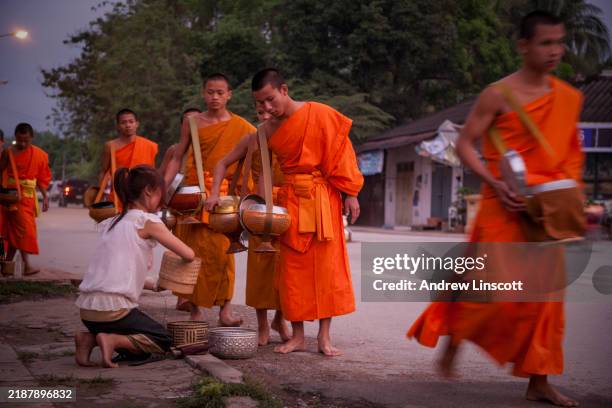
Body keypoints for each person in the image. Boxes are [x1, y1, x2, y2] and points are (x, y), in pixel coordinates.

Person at [407, 11, 583, 407]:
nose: (555, 50)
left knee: (545, 302)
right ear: (523, 46)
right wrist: (494, 182)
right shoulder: (498, 94)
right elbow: (466, 143)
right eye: (545, 43)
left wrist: (564, 200)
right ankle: (455, 336)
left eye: (559, 42)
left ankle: (539, 379)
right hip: (503, 205)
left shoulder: (568, 98)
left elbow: (570, 156)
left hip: (546, 212)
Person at [249, 68, 363, 356]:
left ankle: (324, 338)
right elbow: (262, 169)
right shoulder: (267, 130)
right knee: (293, 273)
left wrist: (351, 193)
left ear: (284, 90)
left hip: (323, 199)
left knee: (327, 271)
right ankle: (297, 335)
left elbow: (342, 153)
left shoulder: (320, 114)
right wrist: (261, 209)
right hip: (291, 204)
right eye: (260, 103)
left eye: (270, 100)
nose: (267, 108)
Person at [74, 165, 195, 368]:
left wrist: (156, 284)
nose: (160, 202)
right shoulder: (147, 222)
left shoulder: (110, 223)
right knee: (162, 340)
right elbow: (189, 254)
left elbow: (116, 272)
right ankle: (113, 340)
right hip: (114, 313)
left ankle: (90, 339)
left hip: (87, 311)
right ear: (148, 191)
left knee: (132, 331)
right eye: (159, 194)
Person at [163, 73, 255, 324]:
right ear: (203, 94)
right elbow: (176, 156)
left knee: (224, 253)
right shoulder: (192, 122)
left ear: (229, 95)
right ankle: (194, 309)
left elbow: (252, 162)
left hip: (223, 199)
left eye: (220, 92)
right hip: (194, 197)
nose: (215, 97)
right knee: (193, 253)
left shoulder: (244, 127)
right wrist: (164, 187)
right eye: (210, 92)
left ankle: (225, 310)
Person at [205, 107, 291, 346]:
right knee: (260, 271)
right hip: (258, 210)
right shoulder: (251, 139)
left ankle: (280, 319)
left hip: (287, 208)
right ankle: (263, 325)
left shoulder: (291, 135)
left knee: (286, 269)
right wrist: (214, 193)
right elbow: (222, 163)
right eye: (260, 112)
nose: (265, 117)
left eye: (269, 112)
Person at [158, 107, 201, 313]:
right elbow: (163, 174)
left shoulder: (207, 147)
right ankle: (182, 296)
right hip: (180, 205)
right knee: (182, 250)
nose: (191, 126)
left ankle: (199, 294)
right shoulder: (175, 150)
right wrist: (161, 195)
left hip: (202, 205)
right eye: (187, 122)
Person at [0, 123, 52, 275]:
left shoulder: (39, 154)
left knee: (15, 233)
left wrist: (45, 196)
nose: (22, 144)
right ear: (15, 137)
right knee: (24, 231)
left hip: (28, 198)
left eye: (26, 141)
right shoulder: (8, 153)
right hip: (11, 197)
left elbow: (41, 179)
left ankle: (7, 265)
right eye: (19, 140)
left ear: (32, 138)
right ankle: (27, 265)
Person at [98, 109, 158, 206]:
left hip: (142, 195)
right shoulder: (110, 146)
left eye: (131, 122)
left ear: (137, 124)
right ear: (118, 126)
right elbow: (104, 171)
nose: (128, 125)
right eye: (123, 122)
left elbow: (153, 172)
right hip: (119, 194)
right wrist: (100, 193)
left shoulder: (149, 146)